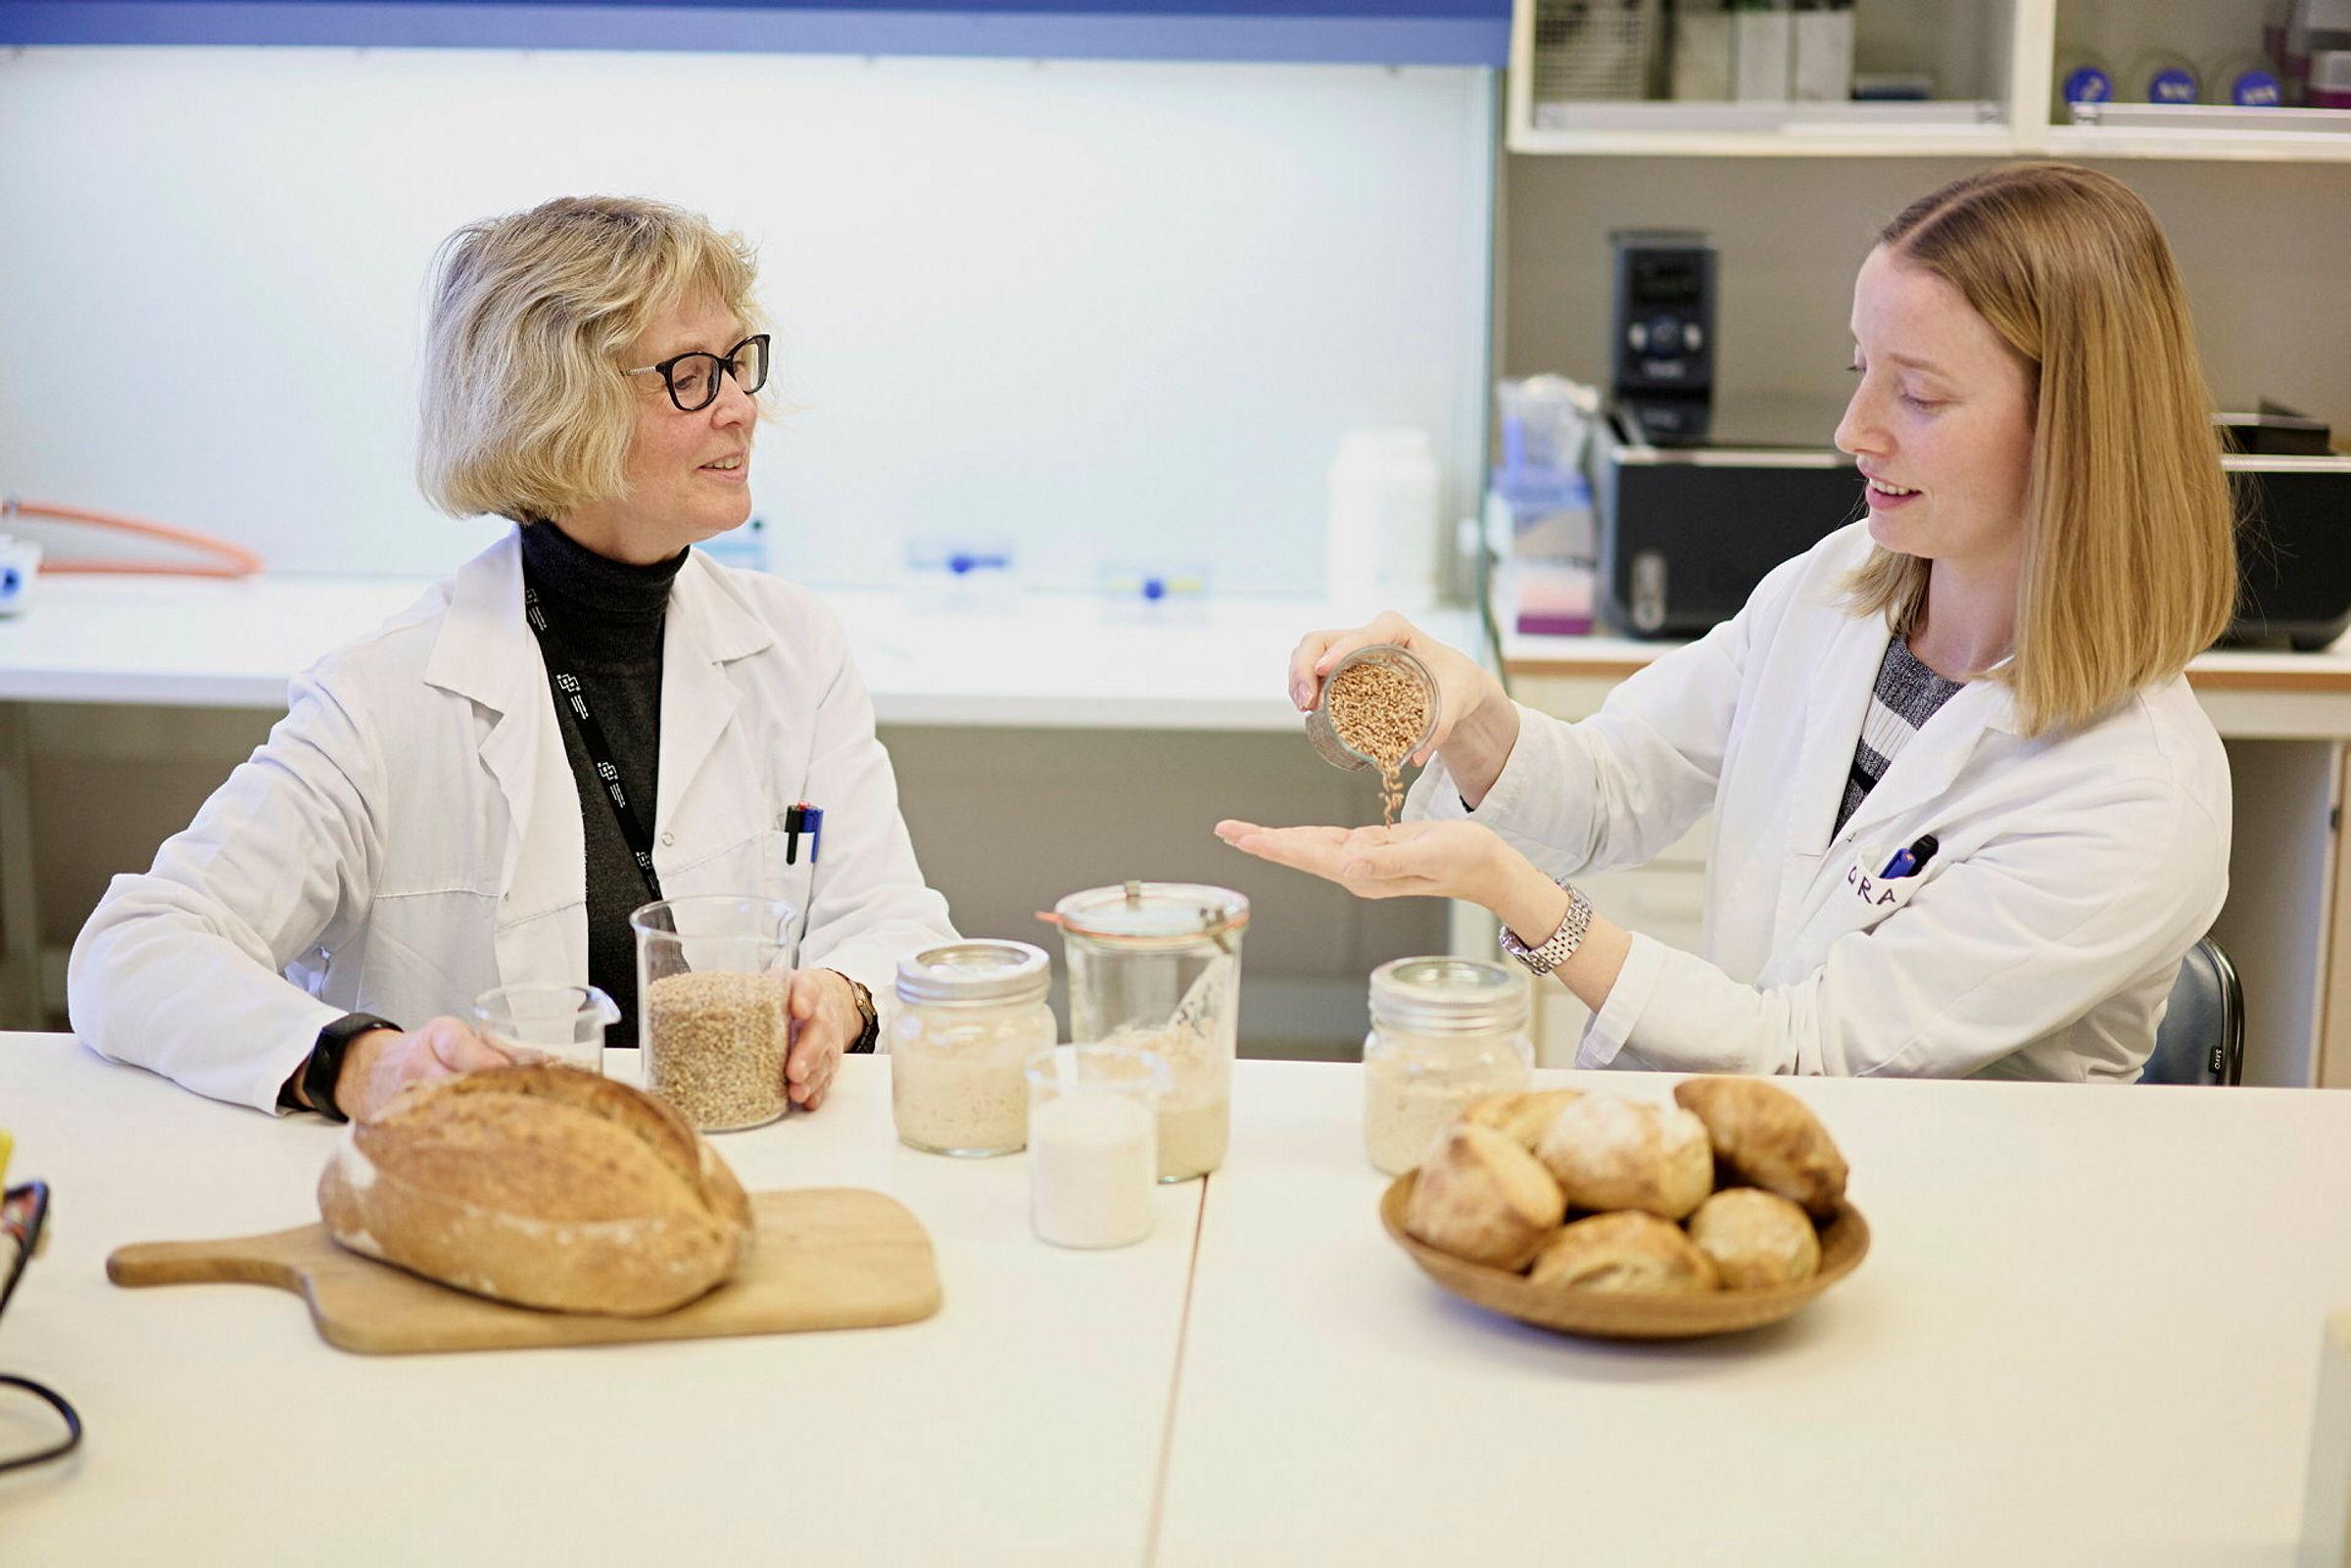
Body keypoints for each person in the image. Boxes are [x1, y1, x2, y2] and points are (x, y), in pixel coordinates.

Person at [1221, 163, 2235, 1080]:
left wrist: (1515, 893)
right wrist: (1473, 711)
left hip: (1956, 1218)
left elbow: (1810, 1051)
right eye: (1861, 370)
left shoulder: (2136, 794)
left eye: (1917, 393)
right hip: (1748, 1167)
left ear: (2074, 434)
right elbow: (1616, 790)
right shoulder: (1843, 584)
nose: (1854, 431)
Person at [70, 196, 958, 1119]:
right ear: (558, 407)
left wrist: (845, 994)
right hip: (485, 1190)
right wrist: (362, 1062)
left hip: (738, 1169)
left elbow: (894, 917)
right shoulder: (386, 694)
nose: (740, 406)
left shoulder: (795, 648)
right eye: (690, 375)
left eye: (738, 362)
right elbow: (134, 946)